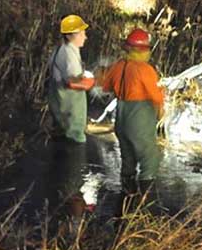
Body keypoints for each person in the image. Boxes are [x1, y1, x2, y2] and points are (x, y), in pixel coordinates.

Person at [102, 29, 164, 194]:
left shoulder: (118, 66)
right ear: (143, 50)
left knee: (127, 157)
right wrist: (160, 112)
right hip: (139, 118)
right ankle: (146, 202)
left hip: (121, 117)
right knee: (149, 159)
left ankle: (127, 195)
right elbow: (156, 96)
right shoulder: (145, 69)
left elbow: (106, 86)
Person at [48, 14, 94, 143]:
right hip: (70, 116)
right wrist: (90, 82)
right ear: (69, 36)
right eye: (81, 34)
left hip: (61, 113)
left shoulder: (63, 49)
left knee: (61, 141)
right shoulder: (68, 53)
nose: (85, 37)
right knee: (74, 147)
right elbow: (72, 82)